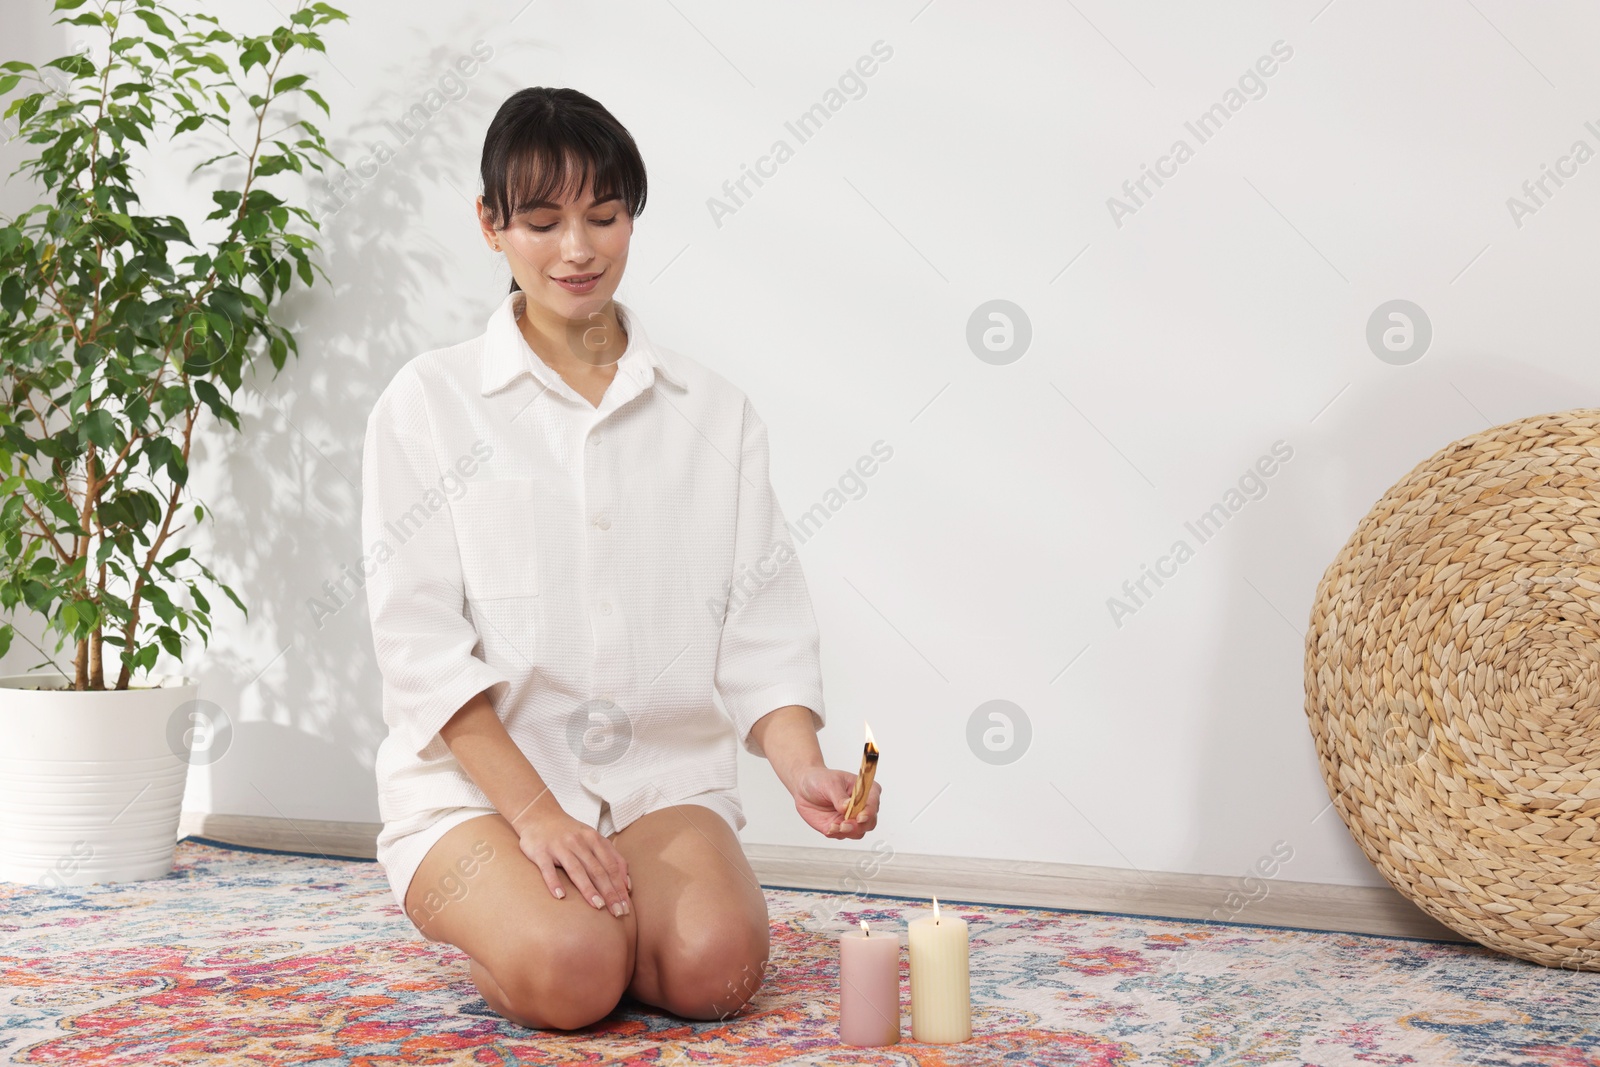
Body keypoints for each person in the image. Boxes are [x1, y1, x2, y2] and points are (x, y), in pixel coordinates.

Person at [359, 86, 882, 1032]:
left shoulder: (712, 412)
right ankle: (551, 932)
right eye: (543, 221)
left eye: (603, 217)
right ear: (490, 225)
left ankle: (618, 920)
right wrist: (535, 816)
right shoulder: (428, 402)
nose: (577, 250)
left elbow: (761, 627)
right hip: (477, 795)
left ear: (631, 217)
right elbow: (419, 648)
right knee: (573, 973)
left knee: (717, 973)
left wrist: (800, 762)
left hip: (658, 780)